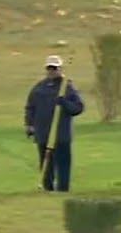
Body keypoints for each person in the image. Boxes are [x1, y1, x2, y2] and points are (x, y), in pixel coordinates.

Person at [25, 54, 85, 192]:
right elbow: (30, 107)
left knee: (63, 164)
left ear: (60, 69)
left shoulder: (67, 87)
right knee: (46, 164)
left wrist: (64, 102)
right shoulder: (39, 88)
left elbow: (78, 108)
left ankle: (63, 189)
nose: (52, 71)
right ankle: (48, 189)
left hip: (61, 135)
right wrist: (29, 125)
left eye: (55, 68)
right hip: (43, 134)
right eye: (49, 68)